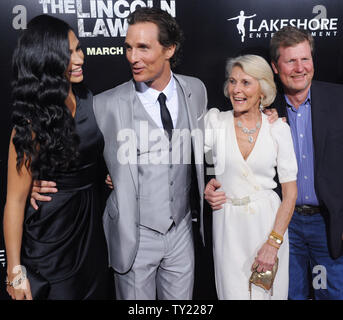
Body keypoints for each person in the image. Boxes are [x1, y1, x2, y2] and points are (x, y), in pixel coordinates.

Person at [3, 15, 109, 300]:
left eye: (78, 48)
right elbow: (14, 201)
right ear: (47, 61)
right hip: (52, 237)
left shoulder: (87, 97)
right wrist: (15, 273)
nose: (80, 59)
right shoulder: (30, 122)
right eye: (69, 54)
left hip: (91, 232)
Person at [204, 54, 297, 299]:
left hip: (268, 224)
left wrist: (273, 243)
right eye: (233, 81)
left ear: (263, 89)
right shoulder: (215, 123)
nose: (236, 89)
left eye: (246, 82)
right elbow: (180, 159)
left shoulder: (278, 129)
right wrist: (208, 187)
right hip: (228, 226)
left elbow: (290, 193)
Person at [269, 26, 343, 299]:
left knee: (333, 294)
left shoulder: (339, 100)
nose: (300, 68)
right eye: (290, 61)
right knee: (290, 295)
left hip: (329, 224)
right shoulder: (265, 107)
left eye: (305, 59)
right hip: (285, 226)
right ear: (276, 67)